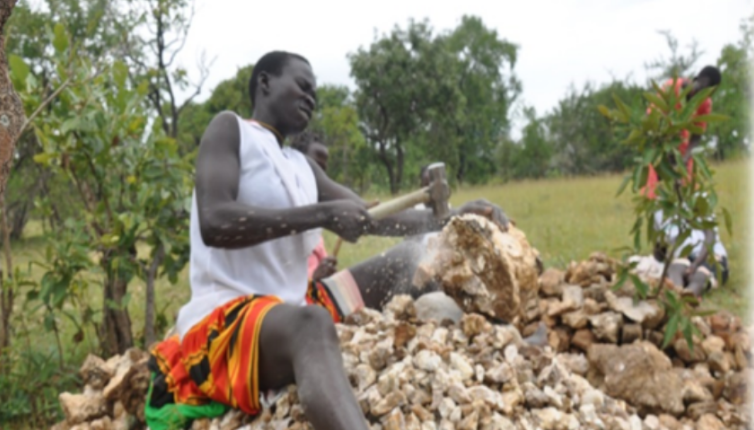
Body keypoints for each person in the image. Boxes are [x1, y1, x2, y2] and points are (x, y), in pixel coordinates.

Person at [144, 50, 511, 430]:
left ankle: (506, 340)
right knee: (311, 325)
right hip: (227, 321)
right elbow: (215, 221)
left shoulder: (302, 167)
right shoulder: (230, 130)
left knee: (414, 258)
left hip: (293, 303)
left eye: (314, 93)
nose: (310, 98)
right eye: (301, 86)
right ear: (265, 82)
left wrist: (452, 216)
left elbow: (373, 217)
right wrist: (321, 215)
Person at [642, 66, 722, 200]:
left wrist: (683, 160)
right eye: (703, 88)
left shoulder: (705, 103)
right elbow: (649, 119)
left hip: (681, 148)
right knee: (652, 194)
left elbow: (696, 137)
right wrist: (666, 151)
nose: (702, 95)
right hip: (657, 146)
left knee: (688, 193)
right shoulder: (672, 88)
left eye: (709, 93)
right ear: (696, 80)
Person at [652, 198, 729, 298]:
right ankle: (677, 293)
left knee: (699, 277)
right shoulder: (657, 210)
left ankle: (689, 296)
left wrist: (695, 264)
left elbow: (710, 236)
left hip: (711, 255)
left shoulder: (697, 198)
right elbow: (660, 252)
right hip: (685, 257)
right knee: (674, 270)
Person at [291, 131, 337, 280]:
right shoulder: (285, 210)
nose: (319, 176)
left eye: (323, 171)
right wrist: (313, 276)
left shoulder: (316, 218)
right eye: (314, 167)